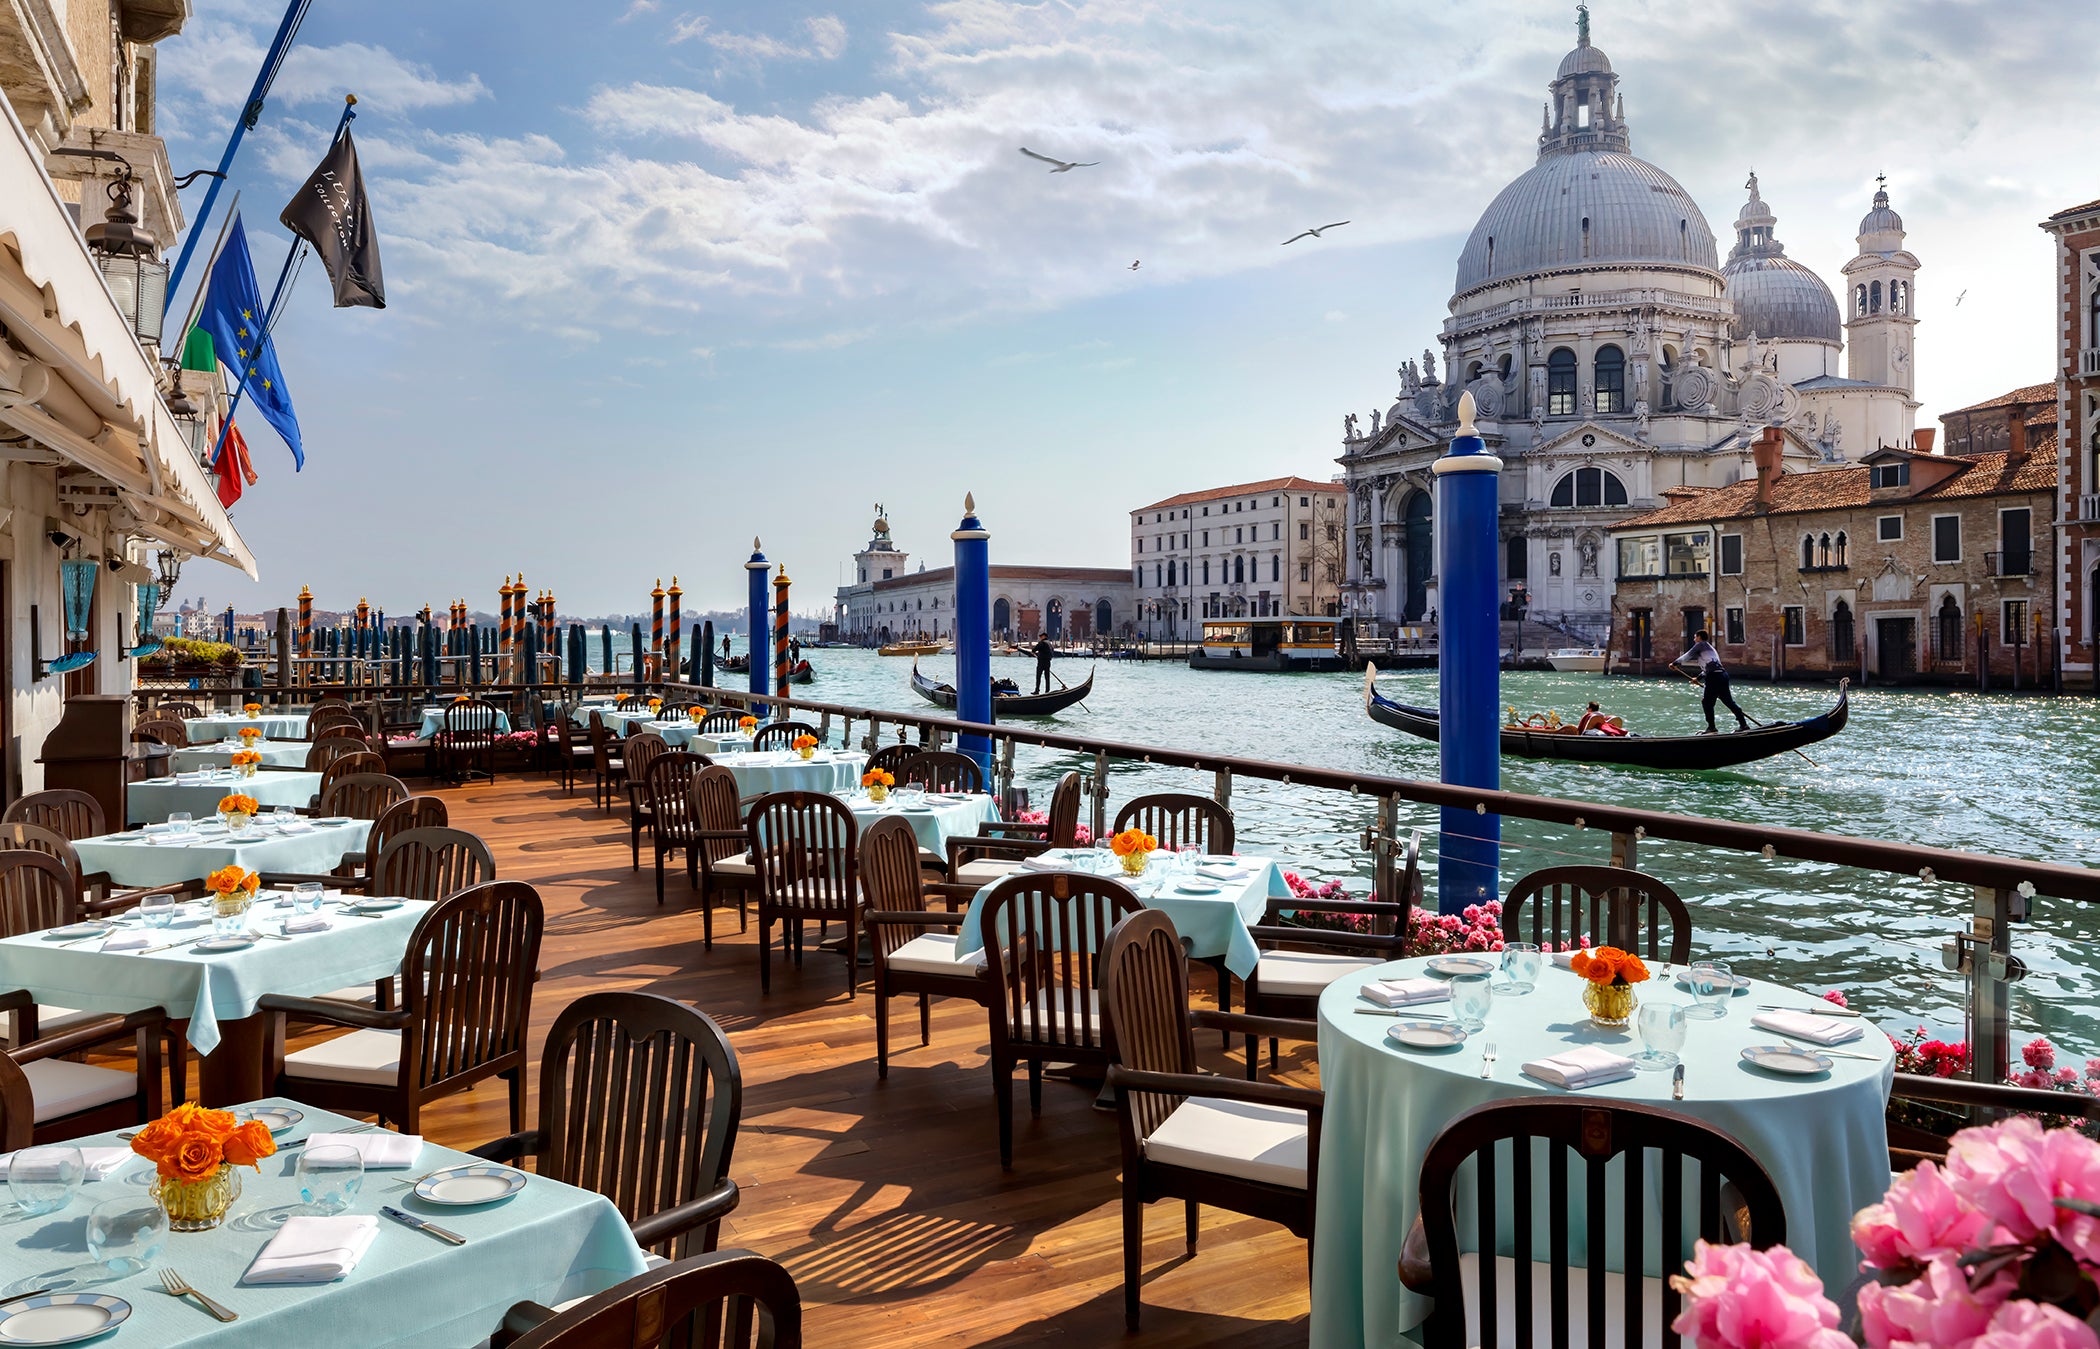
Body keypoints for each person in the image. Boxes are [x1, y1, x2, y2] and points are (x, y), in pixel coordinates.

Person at [1675, 629, 1749, 734]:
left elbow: (1688, 655)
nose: (1694, 639)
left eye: (1695, 637)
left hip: (1713, 677)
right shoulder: (1711, 648)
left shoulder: (1700, 645)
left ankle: (1711, 728)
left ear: (1699, 637)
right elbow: (1710, 666)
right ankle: (1744, 725)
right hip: (1722, 675)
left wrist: (1675, 663)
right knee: (1728, 702)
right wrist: (1698, 678)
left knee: (1707, 702)